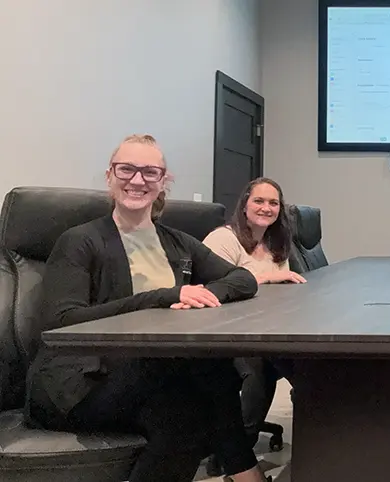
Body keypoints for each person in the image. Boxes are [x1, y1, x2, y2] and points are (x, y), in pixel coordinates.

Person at [25, 134, 269, 482]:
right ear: (110, 176)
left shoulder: (175, 241)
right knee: (210, 370)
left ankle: (244, 473)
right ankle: (247, 473)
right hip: (79, 382)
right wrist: (162, 296)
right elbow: (62, 323)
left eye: (150, 172)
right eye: (127, 169)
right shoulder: (80, 241)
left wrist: (201, 294)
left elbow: (243, 279)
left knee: (186, 417)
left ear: (163, 181)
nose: (137, 180)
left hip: (152, 375)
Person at [203, 178, 303, 474]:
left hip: (268, 327)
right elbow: (213, 286)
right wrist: (268, 278)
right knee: (259, 365)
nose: (266, 208)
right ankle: (234, 458)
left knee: (309, 366)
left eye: (273, 203)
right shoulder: (223, 239)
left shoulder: (276, 242)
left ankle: (325, 436)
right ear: (244, 204)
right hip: (226, 331)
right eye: (259, 201)